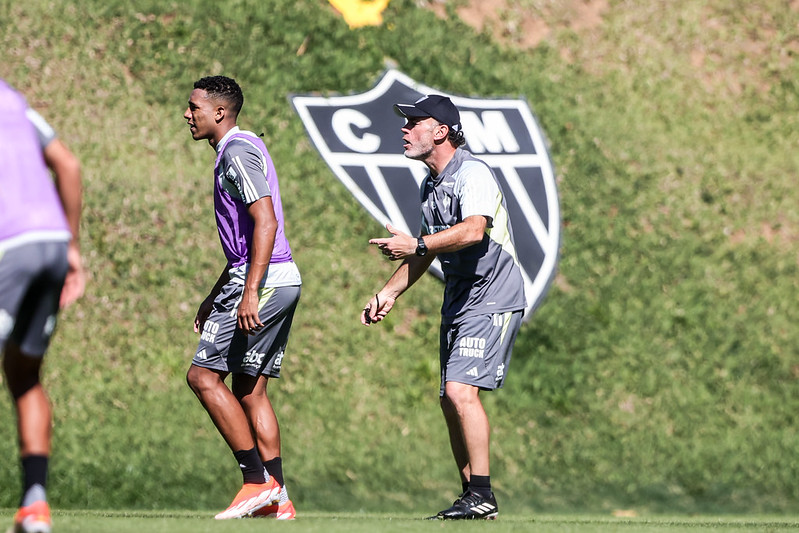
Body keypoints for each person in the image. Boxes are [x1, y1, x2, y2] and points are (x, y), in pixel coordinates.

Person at [361, 94, 526, 520]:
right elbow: (426, 251)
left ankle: (484, 493)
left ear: (440, 131)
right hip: (460, 298)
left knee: (459, 391)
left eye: (414, 121)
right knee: (448, 399)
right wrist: (389, 293)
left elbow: (472, 231)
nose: (404, 128)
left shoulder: (473, 173)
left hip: (493, 293)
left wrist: (417, 242)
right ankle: (474, 496)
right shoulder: (430, 184)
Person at [183, 75, 301, 520]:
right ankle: (279, 500)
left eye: (194, 107)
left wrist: (249, 291)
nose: (188, 115)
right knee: (250, 390)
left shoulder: (235, 152)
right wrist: (216, 294)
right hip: (276, 276)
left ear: (219, 112)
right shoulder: (241, 149)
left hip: (264, 279)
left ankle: (257, 482)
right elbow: (246, 237)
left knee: (203, 377)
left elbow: (265, 221)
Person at [1, 78, 86, 533]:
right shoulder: (11, 99)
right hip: (51, 241)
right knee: (23, 372)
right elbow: (68, 166)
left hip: (8, 244)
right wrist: (72, 246)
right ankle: (35, 506)